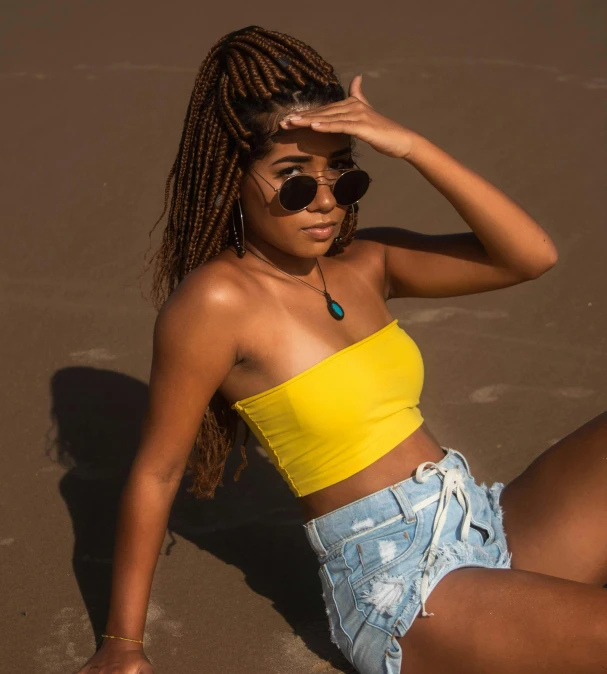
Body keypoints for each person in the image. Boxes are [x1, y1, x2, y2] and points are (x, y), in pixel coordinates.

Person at [77, 25, 607, 674]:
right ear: (232, 177)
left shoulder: (364, 263)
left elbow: (530, 256)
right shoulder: (216, 303)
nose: (324, 202)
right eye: (294, 181)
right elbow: (156, 474)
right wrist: (122, 645)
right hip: (401, 587)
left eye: (342, 177)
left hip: (482, 518)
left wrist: (410, 146)